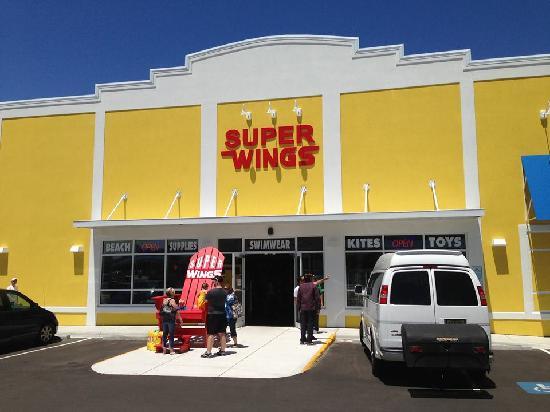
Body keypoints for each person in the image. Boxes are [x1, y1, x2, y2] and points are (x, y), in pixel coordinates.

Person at [202, 275, 228, 358]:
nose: (213, 282)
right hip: (222, 314)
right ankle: (223, 351)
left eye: (213, 280)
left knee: (211, 334)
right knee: (222, 333)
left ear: (216, 281)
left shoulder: (210, 292)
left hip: (212, 314)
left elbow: (205, 302)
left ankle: (208, 352)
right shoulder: (225, 292)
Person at [296, 273, 320, 345]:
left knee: (303, 324)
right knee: (310, 324)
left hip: (303, 308)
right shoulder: (314, 286)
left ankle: (302, 340)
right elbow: (317, 298)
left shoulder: (301, 287)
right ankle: (309, 340)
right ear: (310, 279)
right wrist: (318, 308)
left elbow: (298, 299)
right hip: (311, 308)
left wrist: (298, 308)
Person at [161, 287, 182, 355]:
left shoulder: (164, 300)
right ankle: (171, 350)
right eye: (174, 292)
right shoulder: (172, 300)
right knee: (171, 334)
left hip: (164, 319)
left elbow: (163, 309)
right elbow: (176, 310)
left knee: (165, 334)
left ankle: (164, 349)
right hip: (171, 319)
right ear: (172, 293)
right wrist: (180, 319)